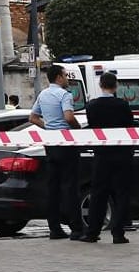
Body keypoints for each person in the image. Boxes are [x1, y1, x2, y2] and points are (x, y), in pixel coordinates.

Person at [30, 64, 84, 239]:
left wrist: (48, 127)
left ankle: (54, 228)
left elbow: (32, 117)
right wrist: (77, 128)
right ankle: (76, 228)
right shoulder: (64, 95)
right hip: (66, 143)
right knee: (70, 186)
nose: (67, 79)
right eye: (65, 75)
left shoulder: (43, 94)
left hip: (51, 144)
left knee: (53, 187)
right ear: (59, 78)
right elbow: (69, 117)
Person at [82, 71, 135, 244]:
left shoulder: (92, 106)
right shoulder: (122, 105)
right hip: (121, 155)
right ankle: (118, 233)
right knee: (122, 193)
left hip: (101, 155)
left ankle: (92, 232)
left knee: (98, 193)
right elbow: (129, 127)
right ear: (116, 86)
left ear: (100, 85)